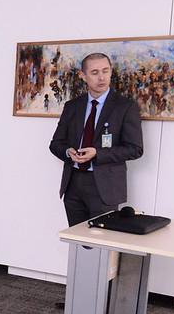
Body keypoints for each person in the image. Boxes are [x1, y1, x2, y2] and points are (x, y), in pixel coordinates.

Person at [49, 52, 144, 227]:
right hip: (73, 184)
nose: (101, 77)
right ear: (83, 76)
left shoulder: (125, 107)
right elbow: (56, 144)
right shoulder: (72, 106)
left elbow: (135, 149)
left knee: (102, 245)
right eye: (94, 73)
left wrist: (97, 153)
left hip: (104, 186)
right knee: (78, 241)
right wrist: (68, 152)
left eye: (105, 71)